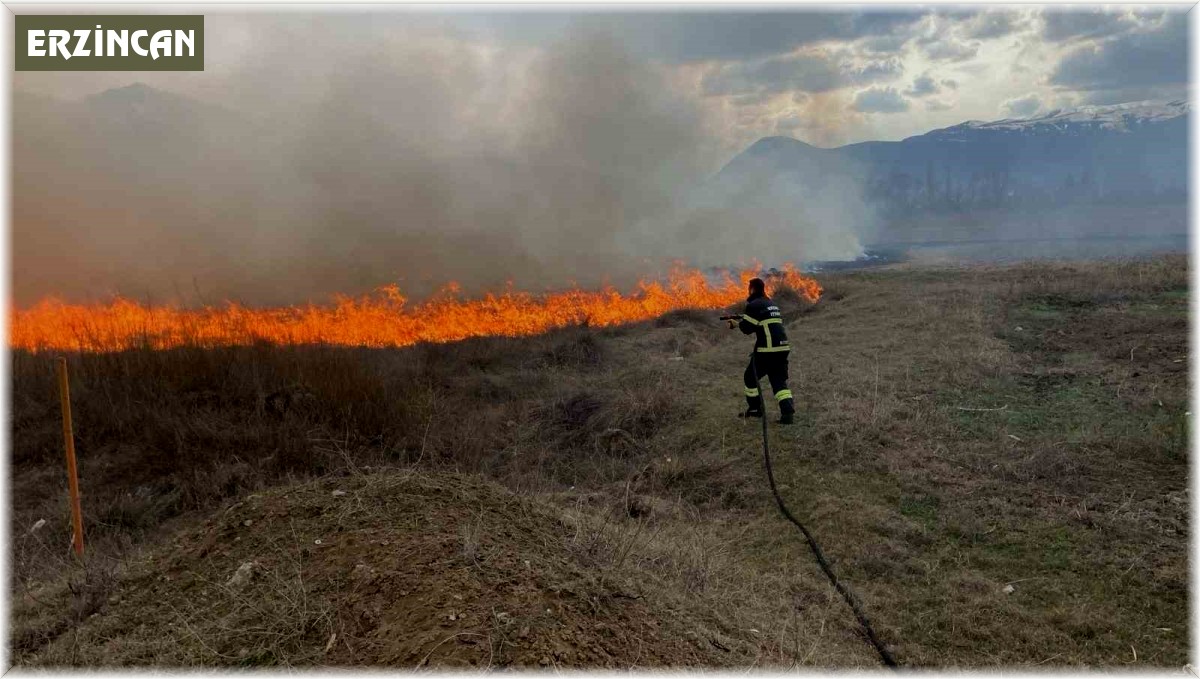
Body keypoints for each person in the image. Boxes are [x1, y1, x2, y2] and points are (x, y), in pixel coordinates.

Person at [734, 277, 795, 425]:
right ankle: (787, 414)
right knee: (778, 381)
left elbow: (747, 328)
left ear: (752, 289)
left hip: (767, 350)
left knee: (750, 377)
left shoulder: (753, 305)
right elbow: (763, 322)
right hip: (782, 347)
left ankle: (755, 409)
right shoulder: (771, 304)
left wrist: (736, 324)